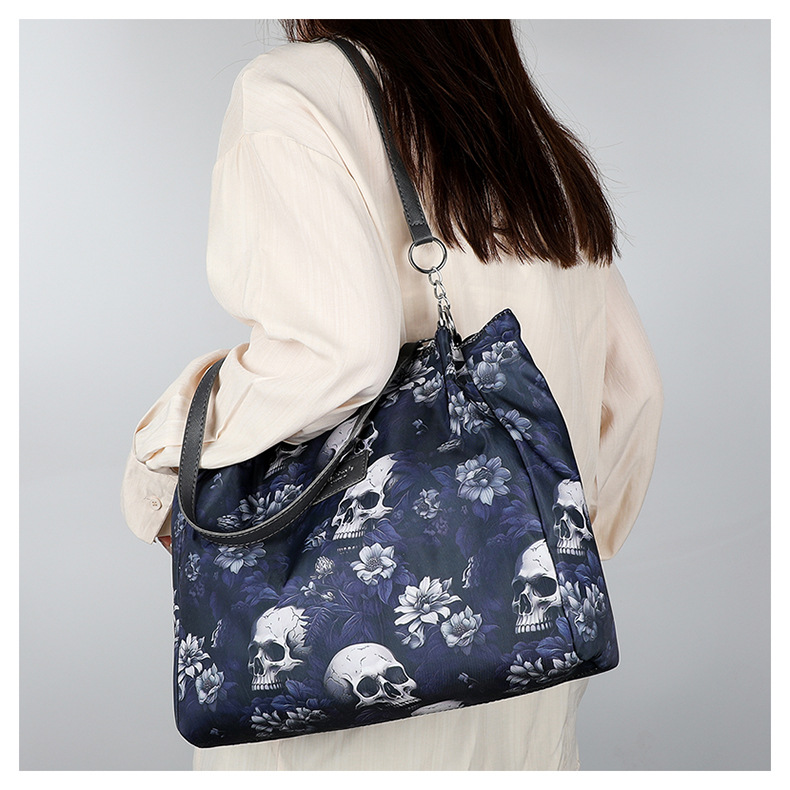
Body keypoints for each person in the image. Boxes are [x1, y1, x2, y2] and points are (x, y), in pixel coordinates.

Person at [120, 20, 663, 771]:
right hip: (528, 686)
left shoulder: (297, 92)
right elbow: (635, 392)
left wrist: (161, 461)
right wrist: (556, 554)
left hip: (346, 729)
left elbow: (340, 356)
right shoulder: (528, 138)